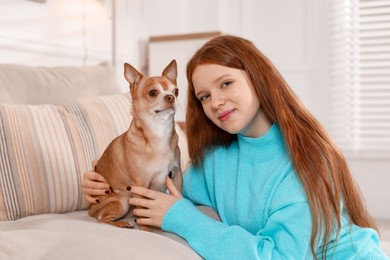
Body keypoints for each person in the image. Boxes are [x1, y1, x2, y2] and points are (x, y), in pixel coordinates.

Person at [82, 35, 389, 259]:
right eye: (203, 96)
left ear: (257, 78)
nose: (215, 102)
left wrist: (184, 219)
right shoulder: (215, 160)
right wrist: (105, 183)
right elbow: (165, 195)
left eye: (226, 84)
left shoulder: (305, 160)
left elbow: (277, 257)